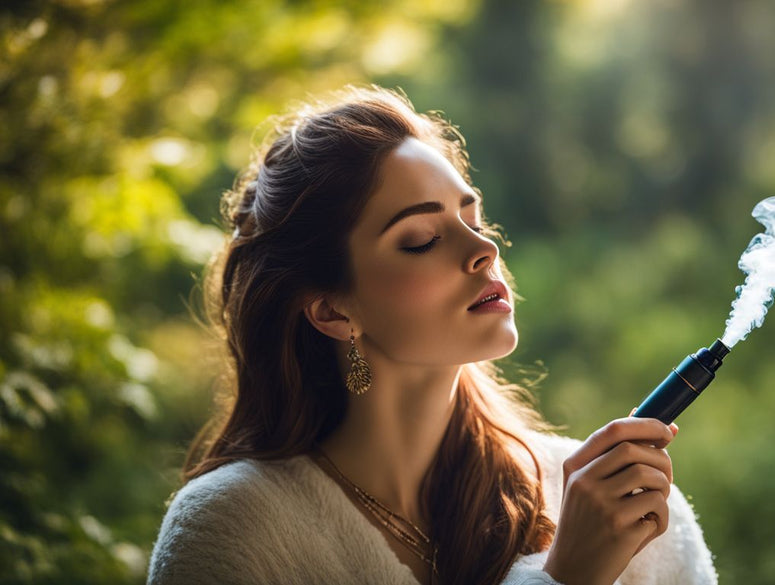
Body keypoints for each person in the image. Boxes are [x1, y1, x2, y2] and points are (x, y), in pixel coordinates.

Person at [147, 86, 717, 585]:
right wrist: (565, 578)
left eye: (473, 219)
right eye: (421, 238)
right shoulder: (235, 530)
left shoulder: (630, 513)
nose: (485, 249)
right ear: (332, 311)